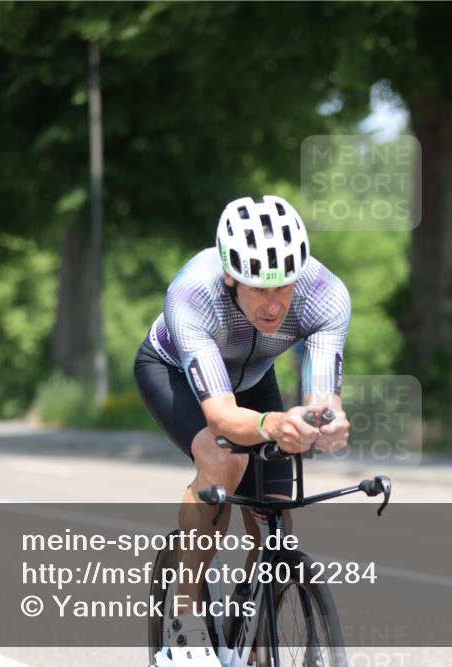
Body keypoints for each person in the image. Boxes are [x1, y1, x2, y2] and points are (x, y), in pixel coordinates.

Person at [134, 195, 351, 666]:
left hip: (253, 378)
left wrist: (327, 420)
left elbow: (322, 397)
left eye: (284, 287)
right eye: (258, 289)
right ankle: (185, 620)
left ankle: (250, 636)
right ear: (231, 276)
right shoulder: (193, 292)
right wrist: (273, 424)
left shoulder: (324, 293)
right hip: (172, 372)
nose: (273, 305)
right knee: (224, 457)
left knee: (276, 516)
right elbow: (220, 416)